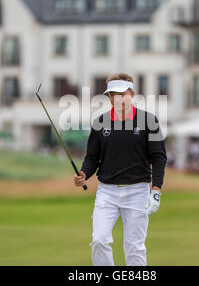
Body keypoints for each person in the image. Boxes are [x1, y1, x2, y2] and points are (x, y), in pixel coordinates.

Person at [73, 73, 167, 266]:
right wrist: (84, 174)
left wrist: (156, 189)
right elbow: (92, 158)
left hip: (137, 191)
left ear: (131, 94)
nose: (117, 99)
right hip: (107, 191)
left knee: (134, 247)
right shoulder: (100, 122)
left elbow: (158, 158)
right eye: (112, 95)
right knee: (99, 240)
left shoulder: (149, 120)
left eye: (121, 94)